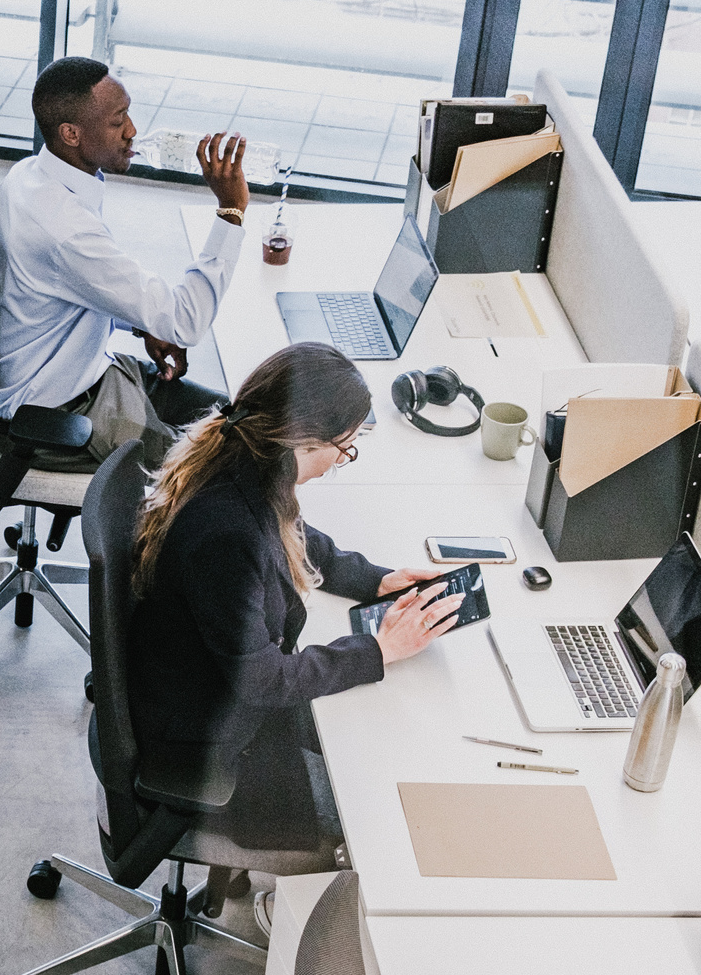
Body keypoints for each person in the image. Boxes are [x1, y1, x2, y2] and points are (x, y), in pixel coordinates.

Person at [125, 343, 461, 922]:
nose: (341, 460)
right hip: (204, 741)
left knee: (381, 732)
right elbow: (262, 680)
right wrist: (377, 650)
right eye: (344, 448)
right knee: (364, 821)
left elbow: (292, 528)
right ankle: (300, 919)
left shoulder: (243, 458)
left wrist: (377, 580)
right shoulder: (227, 531)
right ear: (307, 440)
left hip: (193, 684)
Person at [0, 56, 250, 472]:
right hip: (61, 411)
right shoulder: (64, 229)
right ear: (71, 133)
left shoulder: (30, 176)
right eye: (118, 120)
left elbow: (69, 284)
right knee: (221, 471)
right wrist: (231, 211)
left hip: (79, 372)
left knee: (245, 425)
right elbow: (185, 322)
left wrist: (143, 322)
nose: (133, 131)